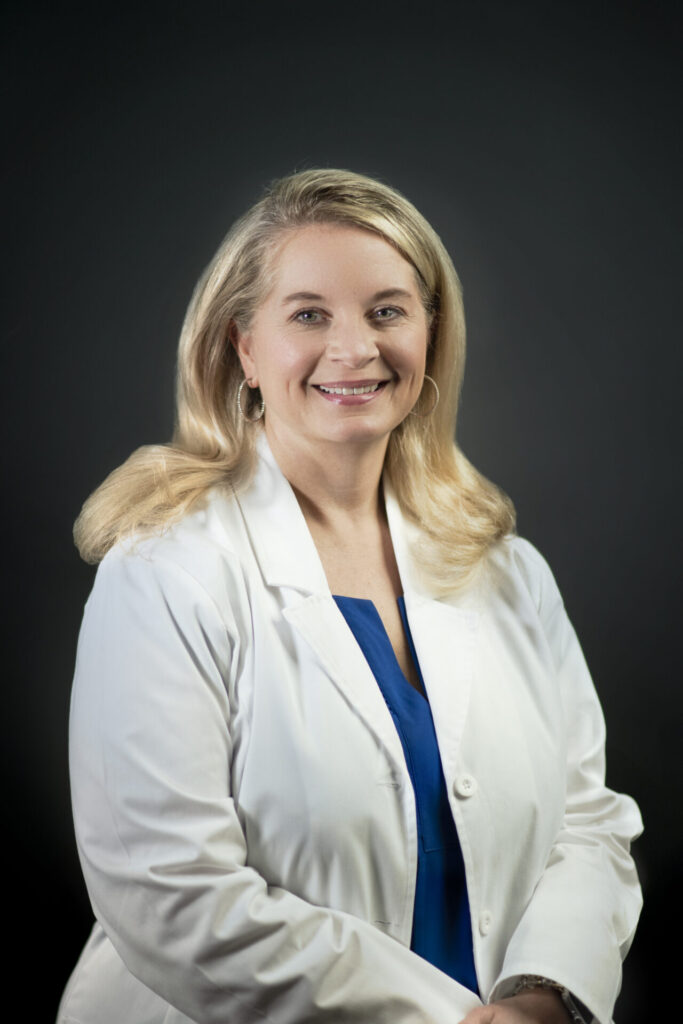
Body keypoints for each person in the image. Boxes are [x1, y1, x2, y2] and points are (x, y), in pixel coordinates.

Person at [57, 168, 643, 1024]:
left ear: (430, 335)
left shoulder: (508, 572)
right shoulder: (165, 573)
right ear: (243, 348)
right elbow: (171, 898)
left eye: (386, 310)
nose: (354, 348)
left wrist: (541, 995)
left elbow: (586, 824)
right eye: (308, 315)